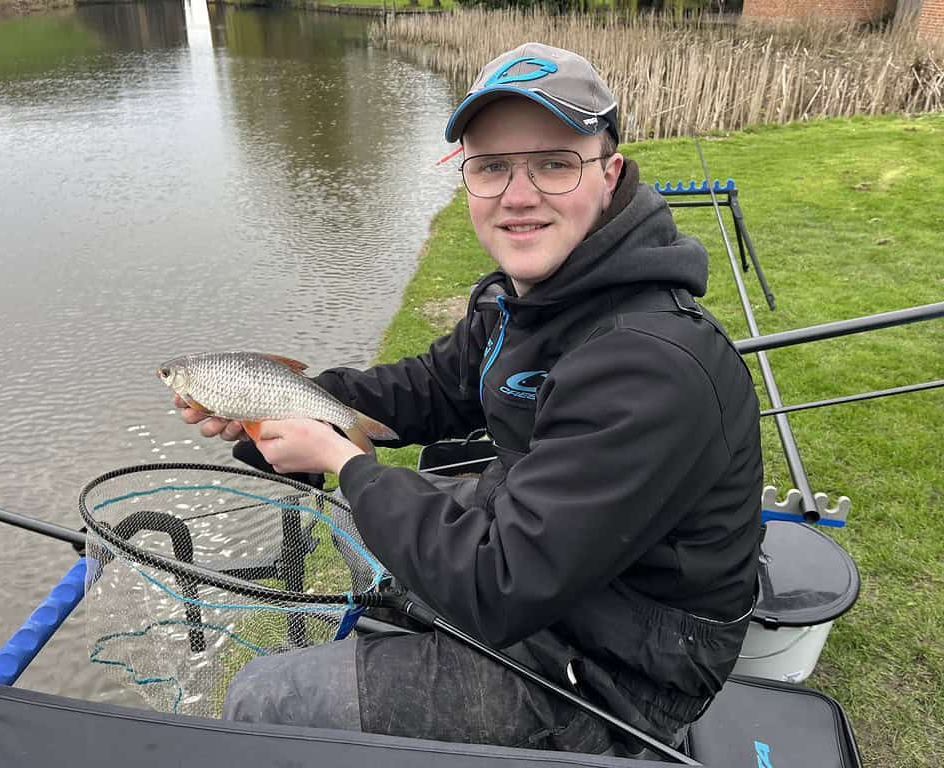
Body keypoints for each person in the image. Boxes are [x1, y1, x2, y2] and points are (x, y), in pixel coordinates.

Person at [176, 42, 763, 759]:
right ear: (467, 181)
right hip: (558, 573)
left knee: (262, 697)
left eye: (554, 162)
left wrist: (344, 462)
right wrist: (275, 403)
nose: (519, 195)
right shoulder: (531, 299)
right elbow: (432, 386)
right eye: (491, 167)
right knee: (361, 530)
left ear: (608, 175)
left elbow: (503, 584)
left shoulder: (651, 365)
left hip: (621, 669)